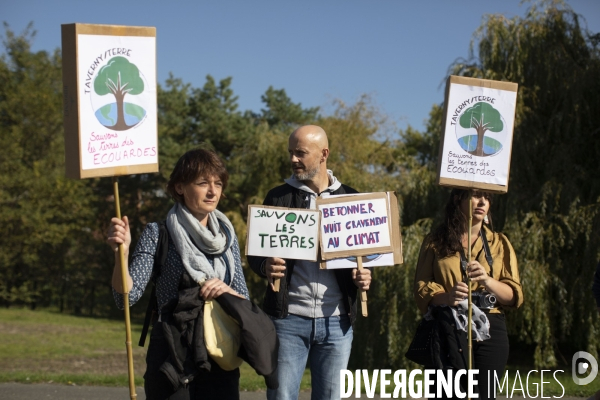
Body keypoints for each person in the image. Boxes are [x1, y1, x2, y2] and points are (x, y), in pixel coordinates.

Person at [107, 148, 250, 400]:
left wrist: (226, 291)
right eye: (203, 182)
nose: (212, 191)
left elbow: (244, 302)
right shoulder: (158, 233)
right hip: (172, 354)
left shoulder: (227, 237)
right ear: (180, 187)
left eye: (218, 183)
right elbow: (125, 298)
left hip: (220, 349)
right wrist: (123, 254)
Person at [248, 125, 372, 400]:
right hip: (287, 320)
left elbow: (364, 256)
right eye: (291, 152)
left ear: (323, 154)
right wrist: (265, 266)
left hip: (337, 323)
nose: (293, 159)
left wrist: (364, 276)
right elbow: (255, 254)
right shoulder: (277, 197)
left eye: (300, 153)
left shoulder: (351, 198)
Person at [413, 189, 523, 400]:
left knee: (484, 395)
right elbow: (421, 287)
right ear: (457, 199)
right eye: (475, 195)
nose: (482, 201)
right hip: (448, 325)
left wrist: (487, 281)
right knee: (447, 396)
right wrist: (447, 297)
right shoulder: (435, 241)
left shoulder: (500, 243)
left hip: (491, 328)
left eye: (487, 197)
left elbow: (513, 296)